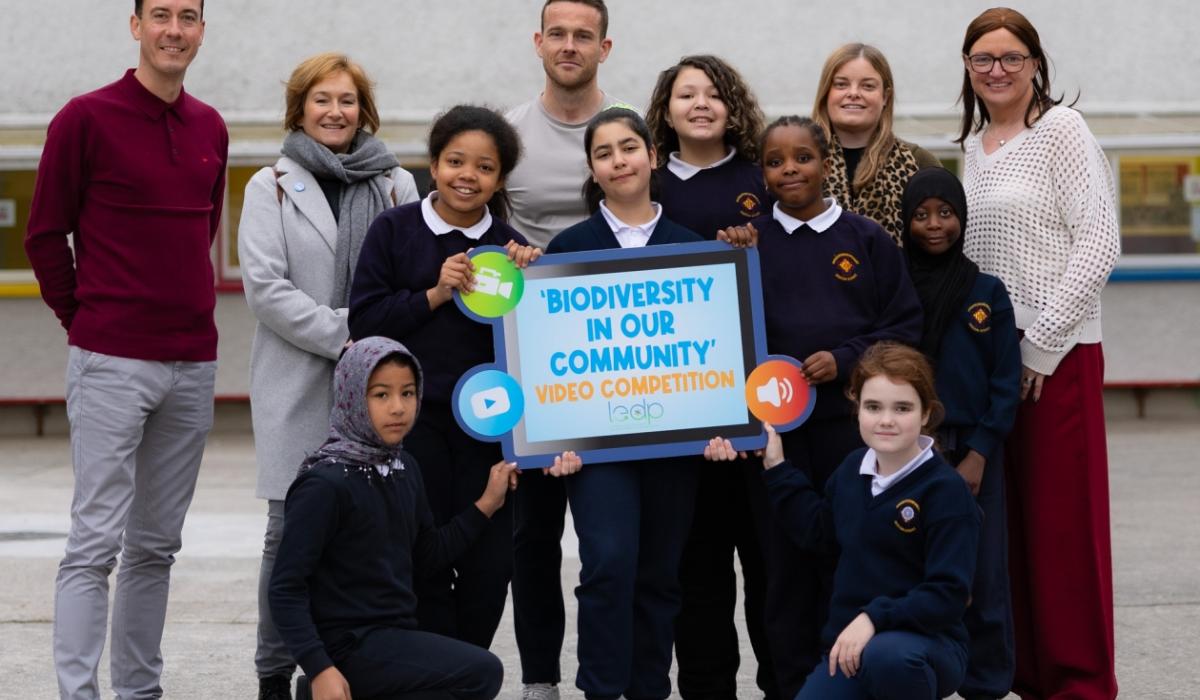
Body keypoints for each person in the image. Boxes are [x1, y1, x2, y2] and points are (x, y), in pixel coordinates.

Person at [23, 2, 227, 697]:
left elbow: (199, 233)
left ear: (203, 30)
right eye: (161, 15)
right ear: (134, 25)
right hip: (112, 359)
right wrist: (86, 320)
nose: (176, 30)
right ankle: (78, 694)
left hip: (194, 361)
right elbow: (44, 235)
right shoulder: (84, 118)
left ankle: (138, 690)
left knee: (156, 547)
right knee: (94, 546)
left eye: (190, 17)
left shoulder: (210, 128)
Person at [349, 105, 573, 650]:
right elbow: (365, 321)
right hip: (413, 425)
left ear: (500, 179)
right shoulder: (395, 229)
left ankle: (464, 668)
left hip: (488, 429)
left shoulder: (509, 247)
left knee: (490, 565)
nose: (467, 176)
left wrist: (531, 279)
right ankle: (436, 671)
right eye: (455, 161)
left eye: (485, 167)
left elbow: (538, 345)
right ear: (434, 163)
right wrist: (434, 292)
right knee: (420, 556)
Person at [237, 52, 419, 700]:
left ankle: (356, 663)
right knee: (289, 535)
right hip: (300, 383)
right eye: (321, 100)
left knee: (373, 533)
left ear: (363, 110)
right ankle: (272, 673)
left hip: (380, 390)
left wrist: (374, 344)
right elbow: (265, 290)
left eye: (346, 100)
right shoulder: (270, 187)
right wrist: (354, 334)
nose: (334, 112)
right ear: (300, 109)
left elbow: (412, 277)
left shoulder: (397, 184)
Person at [720, 116, 922, 699]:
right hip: (774, 435)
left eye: (803, 158)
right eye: (776, 161)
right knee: (781, 566)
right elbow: (718, 328)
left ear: (826, 163)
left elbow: (904, 324)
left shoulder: (865, 239)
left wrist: (846, 358)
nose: (790, 170)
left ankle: (848, 682)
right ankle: (789, 687)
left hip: (849, 433)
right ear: (762, 172)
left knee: (849, 554)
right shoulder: (745, 244)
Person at [956, 8, 1121, 699]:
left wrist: (1042, 346)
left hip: (1057, 357)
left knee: (1063, 528)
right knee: (1004, 525)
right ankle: (1023, 672)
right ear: (967, 68)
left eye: (1011, 58)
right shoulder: (971, 145)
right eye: (983, 59)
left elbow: (1100, 244)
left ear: (1035, 64)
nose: (998, 70)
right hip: (992, 358)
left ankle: (1079, 682)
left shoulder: (1061, 130)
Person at [707, 341, 980, 700]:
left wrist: (872, 618)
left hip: (927, 644)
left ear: (926, 413)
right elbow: (818, 532)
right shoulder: (853, 469)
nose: (886, 419)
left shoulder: (945, 490)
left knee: (890, 658)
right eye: (873, 407)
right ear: (857, 408)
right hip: (851, 649)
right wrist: (776, 466)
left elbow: (949, 593)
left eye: (902, 408)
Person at [547, 107, 702, 700]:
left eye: (629, 147)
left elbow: (709, 357)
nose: (619, 160)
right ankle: (601, 689)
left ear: (652, 155)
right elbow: (549, 358)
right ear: (592, 168)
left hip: (674, 442)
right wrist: (551, 436)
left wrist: (723, 426)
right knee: (608, 564)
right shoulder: (567, 249)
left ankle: (647, 690)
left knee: (660, 575)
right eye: (605, 152)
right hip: (596, 447)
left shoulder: (694, 249)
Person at [268, 337, 512, 700]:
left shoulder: (401, 466)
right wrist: (320, 668)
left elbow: (427, 554)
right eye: (381, 395)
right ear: (351, 397)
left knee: (469, 675)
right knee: (481, 674)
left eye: (408, 393)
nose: (398, 408)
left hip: (394, 635)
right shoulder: (324, 482)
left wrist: (486, 505)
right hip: (347, 645)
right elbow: (285, 588)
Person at [503, 3, 628, 697]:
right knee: (533, 536)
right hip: (532, 356)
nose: (570, 45)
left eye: (584, 35)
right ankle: (540, 682)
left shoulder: (628, 130)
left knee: (613, 541)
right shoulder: (511, 131)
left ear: (604, 46)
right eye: (559, 33)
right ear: (539, 42)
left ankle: (615, 676)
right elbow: (483, 224)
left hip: (621, 357)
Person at [644, 54, 777, 699]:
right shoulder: (643, 180)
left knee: (771, 569)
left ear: (733, 106)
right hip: (676, 418)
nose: (700, 104)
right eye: (685, 94)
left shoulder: (764, 177)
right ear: (664, 111)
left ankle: (786, 684)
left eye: (713, 94)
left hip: (755, 411)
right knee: (696, 578)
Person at [900, 167, 1021, 698]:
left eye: (945, 213)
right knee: (914, 569)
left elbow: (1005, 380)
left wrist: (978, 454)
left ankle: (987, 683)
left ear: (962, 217)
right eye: (921, 214)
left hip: (972, 453)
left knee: (982, 572)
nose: (934, 225)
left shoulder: (986, 291)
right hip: (908, 452)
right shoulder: (897, 285)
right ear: (905, 222)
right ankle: (921, 675)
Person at [812, 43, 940, 244]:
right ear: (826, 93)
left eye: (868, 86)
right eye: (841, 84)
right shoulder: (797, 163)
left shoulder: (919, 162)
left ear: (885, 97)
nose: (853, 93)